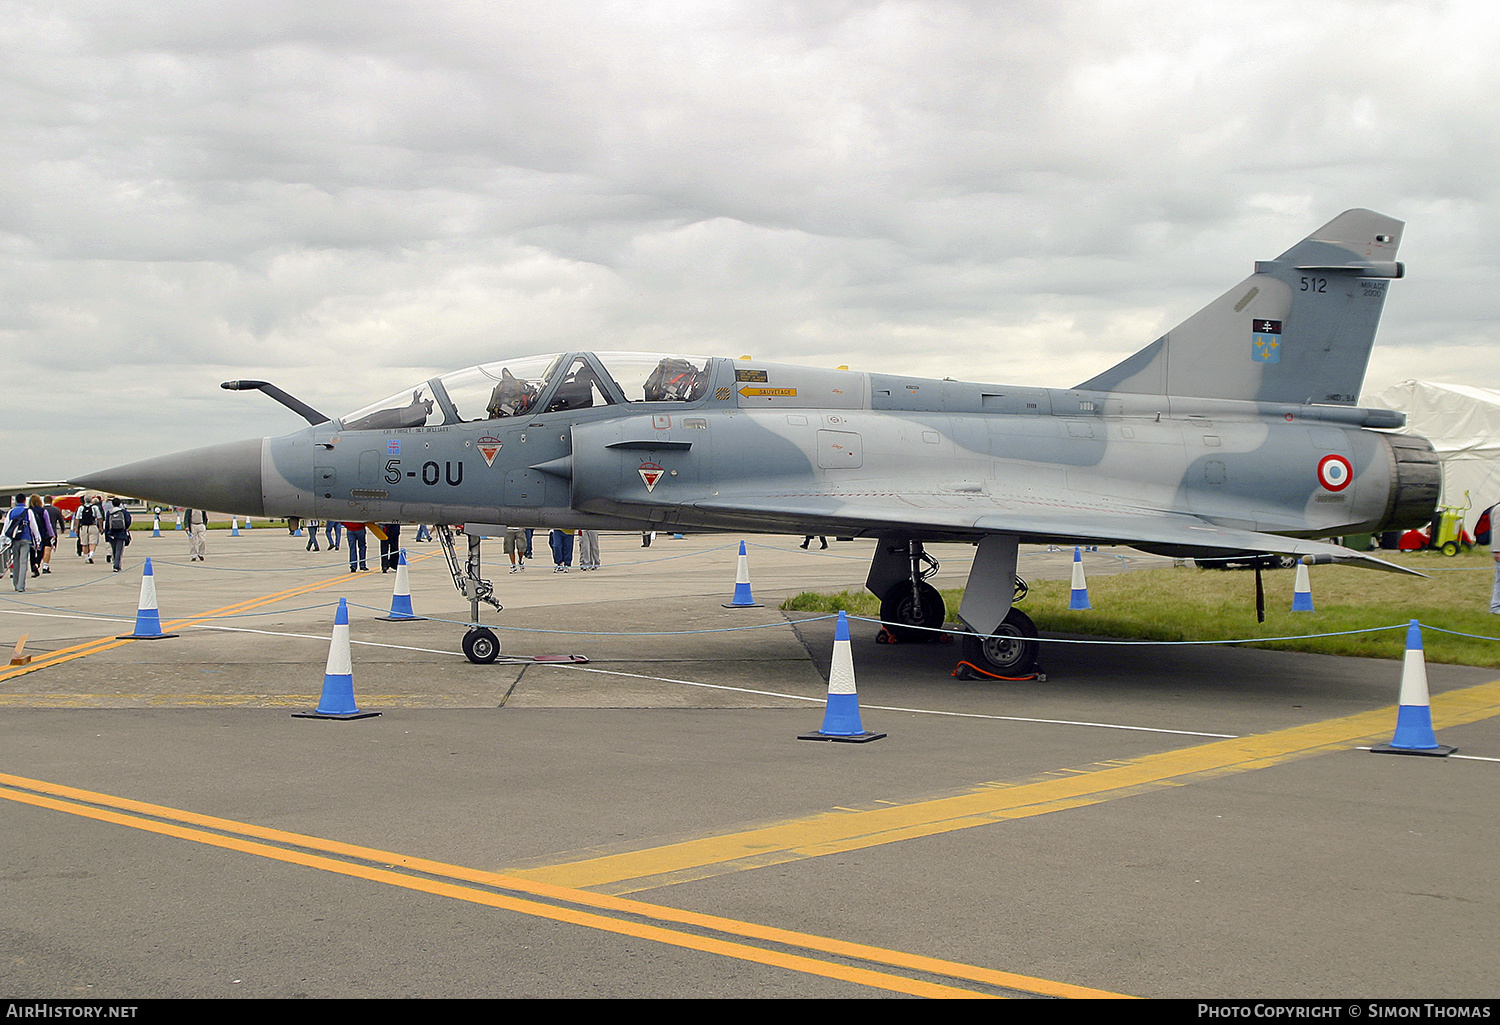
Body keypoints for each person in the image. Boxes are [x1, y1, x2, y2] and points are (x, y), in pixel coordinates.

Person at [5, 494, 45, 592]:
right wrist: (38, 540)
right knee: (23, 562)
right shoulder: (28, 511)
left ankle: (15, 583)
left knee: (16, 561)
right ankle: (21, 585)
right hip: (25, 539)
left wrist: (4, 541)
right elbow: (33, 527)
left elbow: (6, 527)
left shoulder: (11, 512)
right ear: (24, 501)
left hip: (14, 540)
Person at [101, 496, 132, 572]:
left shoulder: (109, 512)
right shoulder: (123, 512)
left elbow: (107, 524)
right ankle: (117, 565)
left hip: (112, 533)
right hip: (121, 533)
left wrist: (107, 535)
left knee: (114, 549)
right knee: (119, 550)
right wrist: (125, 528)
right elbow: (128, 521)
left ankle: (115, 563)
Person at [40, 496, 65, 574]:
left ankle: (37, 564)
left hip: (40, 532)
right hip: (51, 533)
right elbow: (61, 520)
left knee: (41, 550)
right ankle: (45, 566)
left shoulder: (41, 510)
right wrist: (62, 528)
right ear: (51, 501)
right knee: (48, 549)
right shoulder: (56, 510)